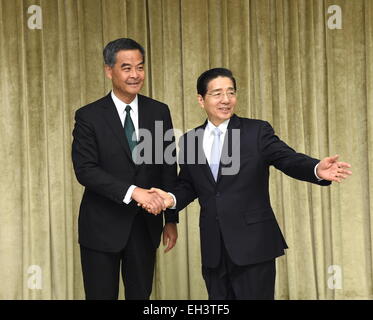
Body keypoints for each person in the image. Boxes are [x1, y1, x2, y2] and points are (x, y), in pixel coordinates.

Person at [144, 68, 352, 300]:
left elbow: (288, 159)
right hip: (214, 249)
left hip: (254, 245)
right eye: (217, 93)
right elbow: (189, 185)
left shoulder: (257, 131)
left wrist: (315, 169)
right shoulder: (190, 140)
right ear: (201, 100)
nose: (226, 99)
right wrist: (169, 199)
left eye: (230, 92)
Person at [71, 38, 178, 300]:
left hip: (145, 227)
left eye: (140, 67)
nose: (135, 75)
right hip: (100, 227)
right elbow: (85, 170)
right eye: (127, 67)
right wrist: (134, 192)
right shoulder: (89, 116)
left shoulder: (159, 112)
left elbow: (167, 166)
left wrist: (171, 219)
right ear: (109, 70)